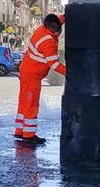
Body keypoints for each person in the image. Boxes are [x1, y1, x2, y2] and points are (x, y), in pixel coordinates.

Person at [15, 14, 67, 145]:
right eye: (55, 29)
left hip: (27, 69)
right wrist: (70, 72)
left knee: (24, 102)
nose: (57, 31)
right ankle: (29, 134)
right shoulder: (48, 41)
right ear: (49, 27)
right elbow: (54, 64)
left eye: (58, 28)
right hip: (33, 74)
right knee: (31, 103)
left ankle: (19, 130)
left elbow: (58, 19)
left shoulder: (43, 28)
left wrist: (67, 15)